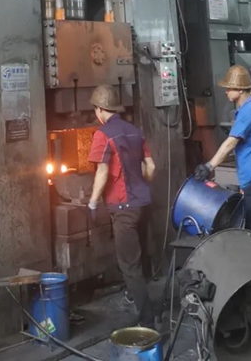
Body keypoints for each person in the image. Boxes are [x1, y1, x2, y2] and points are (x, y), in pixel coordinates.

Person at [194, 65, 251, 262]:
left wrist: (209, 166)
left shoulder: (249, 111)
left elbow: (230, 143)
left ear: (240, 90)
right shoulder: (250, 109)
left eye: (229, 88)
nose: (226, 92)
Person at [87, 84, 156, 327]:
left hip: (123, 208)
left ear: (99, 109)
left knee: (129, 264)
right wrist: (140, 186)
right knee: (141, 256)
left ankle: (147, 322)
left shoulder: (102, 134)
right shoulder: (135, 131)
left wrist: (92, 202)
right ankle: (132, 296)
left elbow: (102, 172)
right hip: (143, 203)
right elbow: (151, 167)